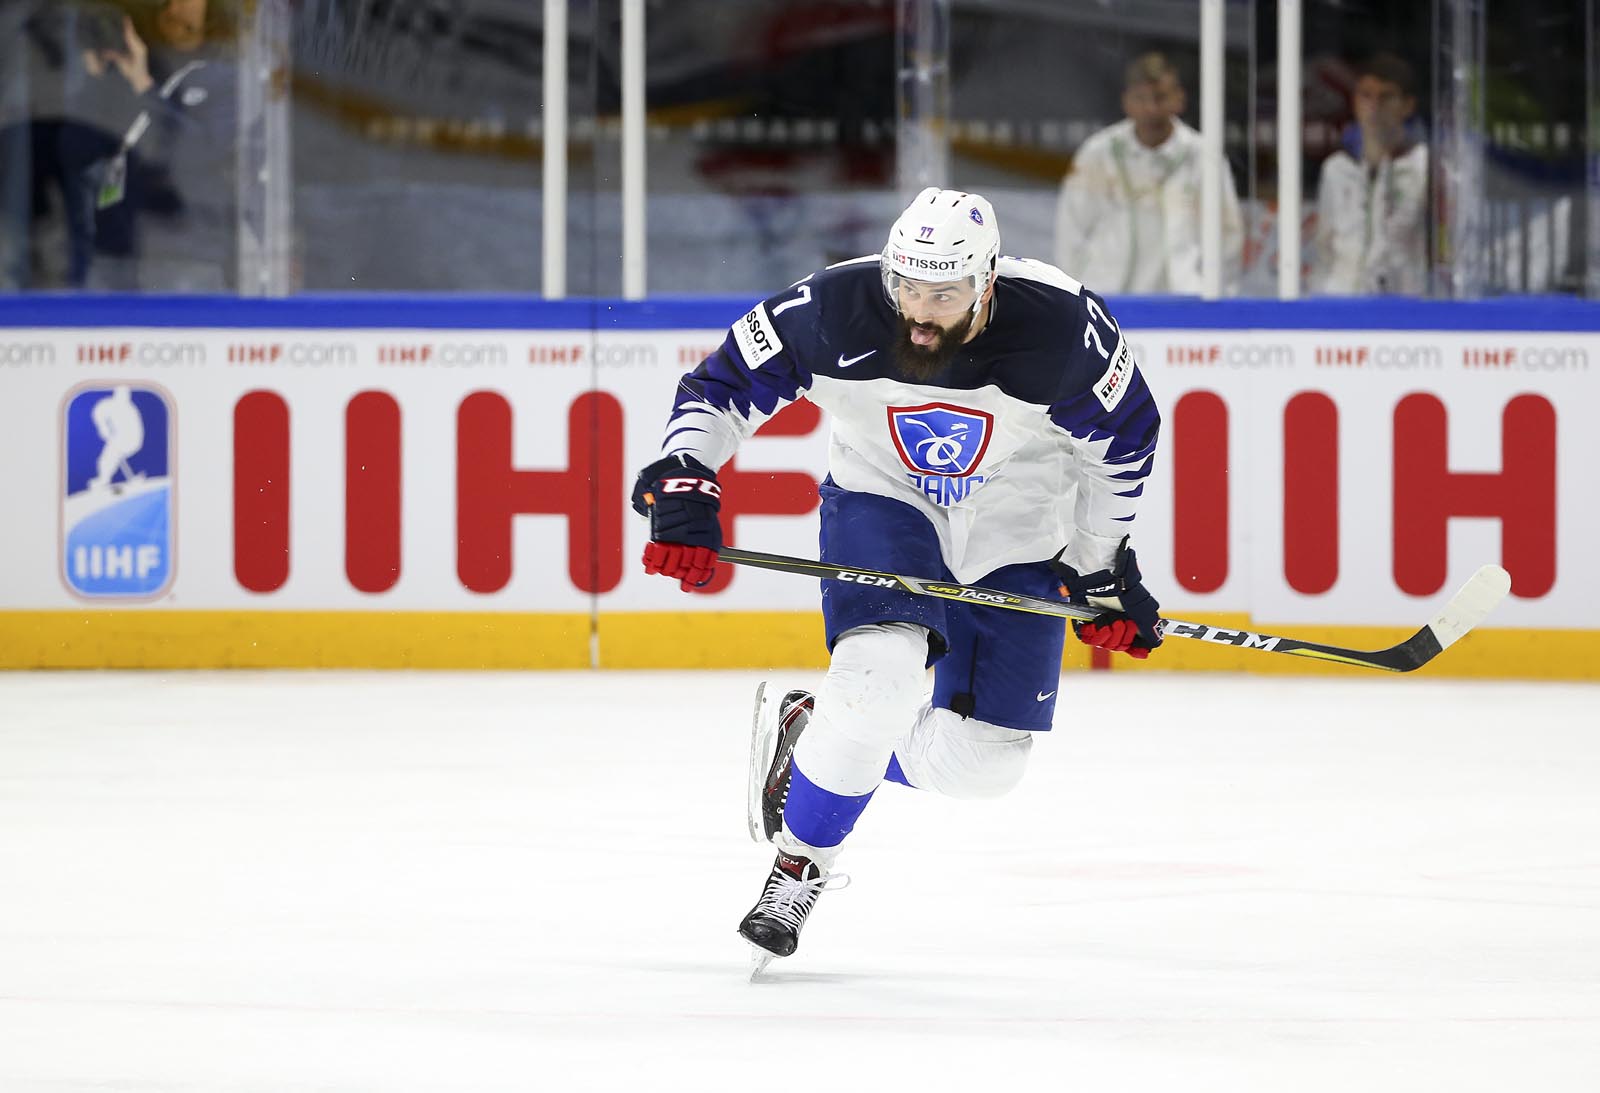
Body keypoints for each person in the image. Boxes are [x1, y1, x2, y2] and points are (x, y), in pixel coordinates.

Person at [630, 187, 1165, 970]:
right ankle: (801, 862)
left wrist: (1100, 567)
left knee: (985, 766)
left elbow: (1123, 444)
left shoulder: (1063, 328)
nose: (918, 312)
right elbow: (721, 386)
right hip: (885, 498)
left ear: (987, 283)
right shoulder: (835, 306)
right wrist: (686, 472)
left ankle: (817, 733)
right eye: (907, 287)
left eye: (943, 295)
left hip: (1017, 519)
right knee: (876, 680)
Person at [1053, 52, 1242, 295]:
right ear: (1126, 102)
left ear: (1179, 99)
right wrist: (1076, 295)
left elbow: (1227, 235)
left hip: (1185, 299)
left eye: (1160, 97)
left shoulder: (1205, 158)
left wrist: (1211, 291)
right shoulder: (1098, 153)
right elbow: (1071, 231)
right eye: (1140, 98)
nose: (1151, 109)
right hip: (1107, 296)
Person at [1309, 53, 1428, 296]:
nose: (1374, 107)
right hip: (1341, 298)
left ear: (1407, 106)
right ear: (1354, 101)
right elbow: (1324, 246)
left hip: (1403, 300)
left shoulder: (1422, 167)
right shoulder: (1337, 169)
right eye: (1366, 96)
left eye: (1386, 97)